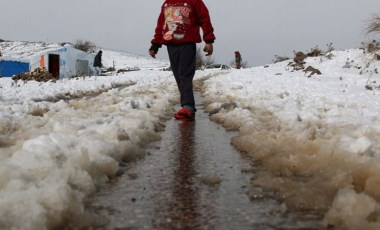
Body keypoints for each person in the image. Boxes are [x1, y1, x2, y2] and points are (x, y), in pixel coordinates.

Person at [149, 0, 216, 120]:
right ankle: (187, 105)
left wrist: (209, 40)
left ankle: (188, 105)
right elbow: (161, 25)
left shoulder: (195, 1)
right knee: (178, 76)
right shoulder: (167, 3)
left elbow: (204, 19)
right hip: (171, 44)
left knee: (185, 74)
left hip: (187, 43)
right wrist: (155, 45)